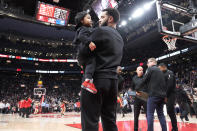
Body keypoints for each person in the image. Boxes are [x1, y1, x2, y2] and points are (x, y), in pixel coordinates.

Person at [80, 8, 124, 131]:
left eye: (102, 17)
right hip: (113, 83)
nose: (99, 19)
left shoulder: (99, 31)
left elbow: (83, 51)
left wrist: (81, 61)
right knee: (110, 121)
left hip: (96, 80)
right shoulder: (120, 38)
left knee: (90, 121)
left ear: (110, 19)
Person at [138, 58, 167, 131]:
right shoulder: (160, 71)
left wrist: (137, 89)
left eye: (148, 63)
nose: (147, 64)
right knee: (161, 115)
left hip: (153, 95)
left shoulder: (150, 69)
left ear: (152, 62)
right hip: (161, 96)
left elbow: (144, 80)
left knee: (150, 114)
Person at [73, 11, 97, 94]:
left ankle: (86, 85)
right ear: (82, 21)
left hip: (81, 55)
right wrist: (89, 42)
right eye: (88, 18)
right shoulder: (84, 28)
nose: (91, 20)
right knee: (92, 61)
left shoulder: (82, 28)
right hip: (84, 51)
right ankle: (87, 82)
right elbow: (81, 36)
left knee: (88, 69)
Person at [158, 63, 178, 131]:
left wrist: (166, 96)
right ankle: (173, 128)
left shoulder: (170, 73)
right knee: (169, 111)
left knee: (170, 111)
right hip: (164, 95)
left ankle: (175, 128)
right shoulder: (162, 74)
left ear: (163, 67)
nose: (159, 70)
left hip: (170, 95)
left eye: (159, 68)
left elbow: (170, 86)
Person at [131, 66, 147, 131]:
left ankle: (150, 128)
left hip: (145, 96)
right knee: (136, 115)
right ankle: (135, 129)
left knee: (148, 114)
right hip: (137, 97)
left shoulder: (146, 77)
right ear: (136, 71)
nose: (141, 71)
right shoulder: (134, 78)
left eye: (142, 70)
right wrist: (135, 93)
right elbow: (132, 89)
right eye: (140, 70)